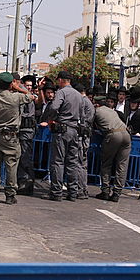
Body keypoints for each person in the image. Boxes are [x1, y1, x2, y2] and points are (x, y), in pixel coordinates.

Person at [0, 72, 35, 204]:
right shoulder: (16, 97)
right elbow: (31, 96)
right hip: (11, 137)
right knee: (11, 166)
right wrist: (18, 88)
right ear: (11, 84)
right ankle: (10, 195)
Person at [45, 70, 83, 201]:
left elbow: (54, 107)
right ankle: (73, 192)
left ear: (61, 80)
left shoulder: (62, 92)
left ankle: (56, 192)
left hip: (62, 129)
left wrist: (53, 118)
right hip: (74, 130)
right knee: (72, 162)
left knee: (58, 161)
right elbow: (82, 113)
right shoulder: (78, 95)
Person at [92, 96, 131, 202]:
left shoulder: (96, 111)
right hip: (126, 134)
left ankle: (105, 191)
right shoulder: (112, 111)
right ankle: (117, 193)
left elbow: (90, 124)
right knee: (122, 166)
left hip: (113, 135)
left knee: (106, 164)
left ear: (97, 104)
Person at [17, 74, 37, 195]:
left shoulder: (28, 98)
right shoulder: (26, 96)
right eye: (27, 85)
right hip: (23, 130)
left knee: (24, 157)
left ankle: (26, 183)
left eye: (30, 86)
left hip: (26, 131)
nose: (28, 88)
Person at [75, 83, 95, 198]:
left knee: (79, 163)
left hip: (82, 136)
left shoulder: (83, 102)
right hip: (85, 135)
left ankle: (80, 189)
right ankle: (82, 188)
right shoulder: (87, 102)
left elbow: (82, 120)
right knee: (82, 163)